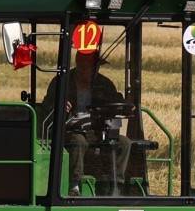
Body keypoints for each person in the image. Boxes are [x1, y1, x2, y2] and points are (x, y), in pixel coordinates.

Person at [39, 20, 134, 194]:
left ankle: (115, 184)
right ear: (77, 62)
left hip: (97, 132)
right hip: (66, 131)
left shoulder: (105, 84)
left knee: (124, 143)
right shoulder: (61, 83)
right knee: (78, 141)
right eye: (83, 64)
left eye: (90, 66)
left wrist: (126, 105)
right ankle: (75, 184)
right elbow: (46, 107)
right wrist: (59, 107)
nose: (87, 70)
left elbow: (116, 100)